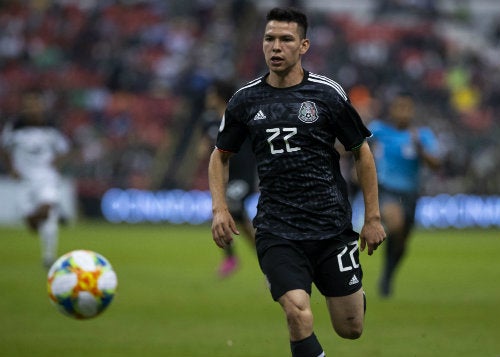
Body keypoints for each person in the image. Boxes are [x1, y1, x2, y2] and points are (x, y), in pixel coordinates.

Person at [208, 7, 386, 357]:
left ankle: (353, 297)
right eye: (269, 39)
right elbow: (220, 155)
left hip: (331, 228)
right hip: (277, 230)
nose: (276, 47)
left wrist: (374, 217)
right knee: (297, 312)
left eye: (285, 39)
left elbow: (361, 152)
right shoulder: (245, 100)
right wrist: (219, 209)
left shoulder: (328, 95)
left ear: (303, 45)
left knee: (350, 328)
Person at [368, 91, 440, 297]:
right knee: (395, 223)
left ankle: (388, 274)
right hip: (387, 189)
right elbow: (354, 144)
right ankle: (387, 274)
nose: (403, 112)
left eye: (407, 108)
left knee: (401, 242)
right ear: (392, 110)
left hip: (411, 193)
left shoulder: (422, 135)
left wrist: (421, 150)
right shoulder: (379, 130)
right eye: (399, 107)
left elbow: (437, 164)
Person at [1, 90, 70, 269]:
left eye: (36, 104)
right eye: (29, 104)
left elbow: (63, 149)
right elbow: (4, 148)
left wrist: (55, 165)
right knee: (34, 223)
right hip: (24, 180)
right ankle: (35, 218)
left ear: (41, 106)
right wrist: (11, 169)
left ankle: (49, 256)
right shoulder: (15, 126)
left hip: (46, 177)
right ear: (24, 107)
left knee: (48, 211)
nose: (33, 108)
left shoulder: (51, 126)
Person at [198, 80, 257, 278]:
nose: (208, 98)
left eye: (210, 93)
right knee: (237, 218)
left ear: (218, 95)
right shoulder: (209, 121)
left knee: (229, 207)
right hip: (225, 178)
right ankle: (262, 256)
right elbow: (203, 150)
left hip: (244, 176)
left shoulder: (240, 116)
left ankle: (232, 259)